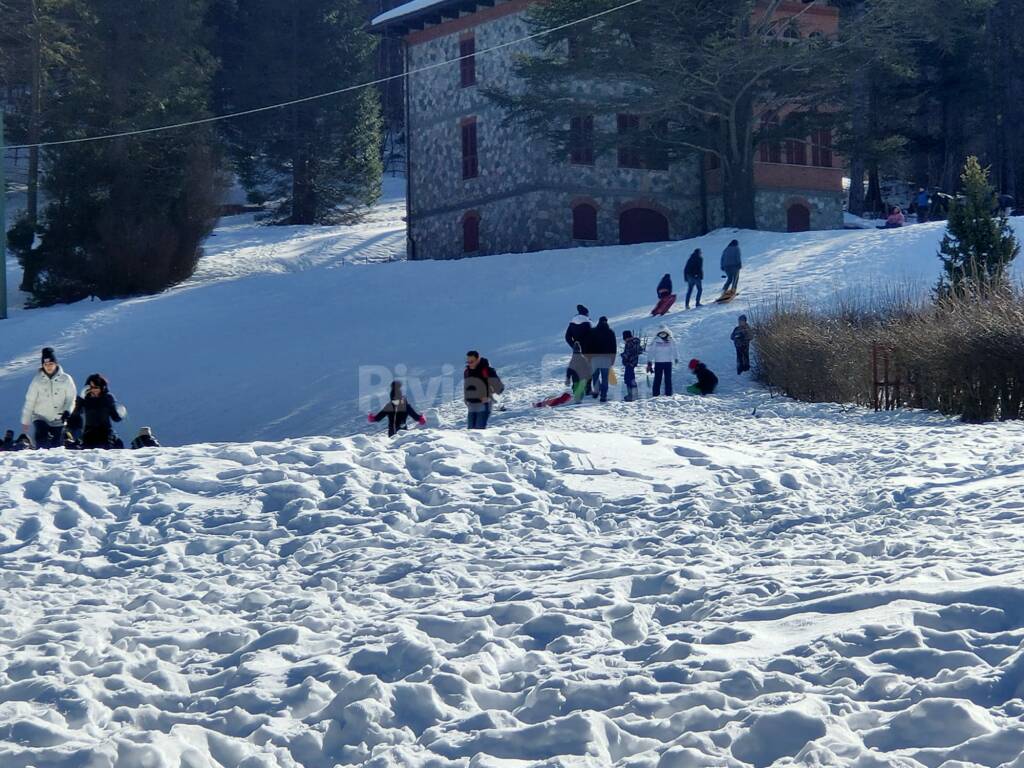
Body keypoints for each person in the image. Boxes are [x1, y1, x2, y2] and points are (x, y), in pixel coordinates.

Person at [21, 347, 77, 450]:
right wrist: (26, 420)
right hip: (40, 416)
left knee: (57, 447)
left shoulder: (66, 379)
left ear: (56, 363)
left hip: (58, 418)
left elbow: (71, 398)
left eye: (51, 364)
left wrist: (67, 411)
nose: (48, 367)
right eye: (45, 364)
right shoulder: (37, 380)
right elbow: (30, 400)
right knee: (41, 441)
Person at [67, 373, 127, 449]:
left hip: (105, 432)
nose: (93, 390)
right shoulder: (85, 399)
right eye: (91, 387)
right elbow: (75, 413)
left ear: (102, 387)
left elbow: (116, 418)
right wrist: (81, 398)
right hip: (89, 432)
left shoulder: (107, 398)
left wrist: (121, 413)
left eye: (96, 387)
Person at [464, 351, 502, 429]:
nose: (469, 364)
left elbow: (499, 387)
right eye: (468, 361)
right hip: (471, 404)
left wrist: (488, 396)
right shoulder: (467, 372)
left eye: (471, 361)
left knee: (479, 431)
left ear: (478, 359)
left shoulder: (487, 370)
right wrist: (465, 398)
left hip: (484, 404)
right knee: (470, 431)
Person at [585, 316, 617, 402]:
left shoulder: (593, 331)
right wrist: (613, 359)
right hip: (606, 358)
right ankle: (603, 395)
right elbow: (613, 347)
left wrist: (588, 358)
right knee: (605, 378)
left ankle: (596, 391)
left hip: (594, 358)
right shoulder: (610, 332)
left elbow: (588, 346)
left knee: (595, 376)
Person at [565, 305, 593, 396]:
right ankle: (588, 388)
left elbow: (567, 336)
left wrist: (574, 345)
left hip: (576, 350)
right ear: (586, 313)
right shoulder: (587, 323)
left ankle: (576, 389)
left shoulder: (572, 323)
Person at [646, 327, 679, 397]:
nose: (662, 334)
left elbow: (674, 349)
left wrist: (675, 358)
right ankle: (655, 394)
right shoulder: (655, 341)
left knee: (668, 379)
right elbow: (651, 352)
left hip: (668, 362)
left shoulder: (670, 340)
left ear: (667, 333)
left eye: (664, 333)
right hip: (658, 362)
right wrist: (649, 361)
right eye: (661, 333)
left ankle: (668, 394)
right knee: (657, 378)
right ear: (658, 333)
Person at [620, 330, 643, 402]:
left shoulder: (629, 343)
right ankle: (633, 394)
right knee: (631, 378)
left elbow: (628, 353)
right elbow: (640, 351)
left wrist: (622, 355)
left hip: (629, 363)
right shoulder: (636, 342)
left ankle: (631, 395)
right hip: (633, 363)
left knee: (628, 378)